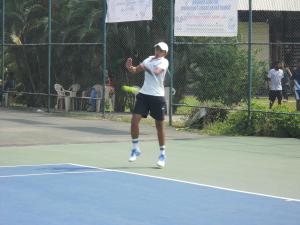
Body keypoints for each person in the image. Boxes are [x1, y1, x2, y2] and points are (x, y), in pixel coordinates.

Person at [125, 42, 169, 168]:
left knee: (159, 127)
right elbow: (135, 70)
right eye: (156, 49)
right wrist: (130, 67)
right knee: (134, 121)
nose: (157, 51)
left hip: (157, 97)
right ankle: (135, 148)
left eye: (160, 50)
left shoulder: (164, 62)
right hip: (144, 95)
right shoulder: (148, 59)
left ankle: (162, 154)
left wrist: (145, 67)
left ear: (165, 53)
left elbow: (156, 71)